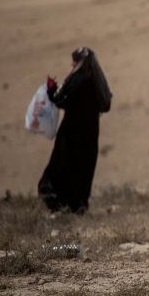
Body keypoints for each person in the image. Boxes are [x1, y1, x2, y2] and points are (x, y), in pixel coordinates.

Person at [38, 47, 112, 213]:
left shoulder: (79, 79)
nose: (71, 63)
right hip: (90, 133)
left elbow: (62, 101)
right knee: (83, 167)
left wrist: (51, 91)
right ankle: (78, 205)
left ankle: (60, 203)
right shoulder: (94, 81)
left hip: (72, 133)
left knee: (63, 166)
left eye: (74, 59)